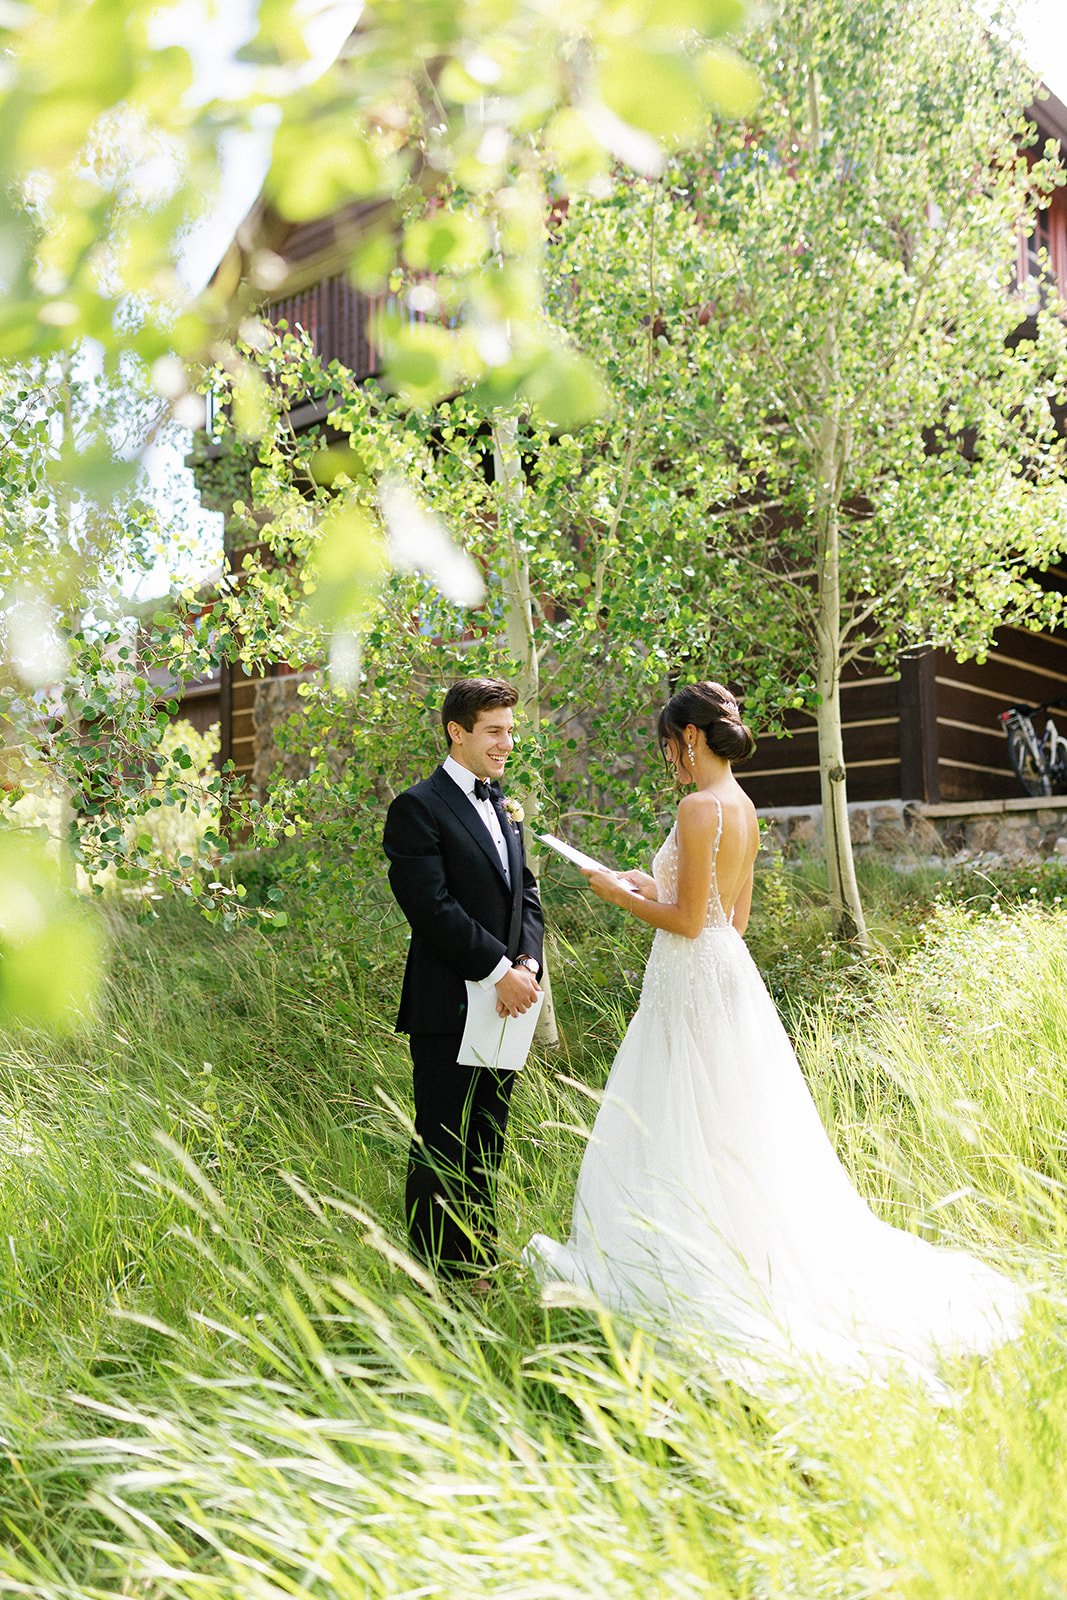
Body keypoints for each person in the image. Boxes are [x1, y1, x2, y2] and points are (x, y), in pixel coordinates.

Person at [526, 681, 1025, 1388]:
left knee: (679, 1114)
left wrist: (615, 894)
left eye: (668, 746)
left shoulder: (698, 806)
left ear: (688, 738)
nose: (668, 758)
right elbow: (733, 920)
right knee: (726, 1118)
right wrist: (648, 883)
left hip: (690, 978)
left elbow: (689, 921)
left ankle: (689, 1258)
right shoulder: (742, 806)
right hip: (726, 976)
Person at [384, 677, 545, 1287]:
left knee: (487, 1144)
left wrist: (526, 965)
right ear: (458, 732)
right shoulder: (418, 808)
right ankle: (438, 1280)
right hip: (450, 1004)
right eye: (495, 731)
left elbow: (523, 892)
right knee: (441, 1144)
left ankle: (480, 1265)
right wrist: (497, 970)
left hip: (507, 1004)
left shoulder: (501, 801)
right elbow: (430, 907)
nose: (507, 743)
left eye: (510, 730)